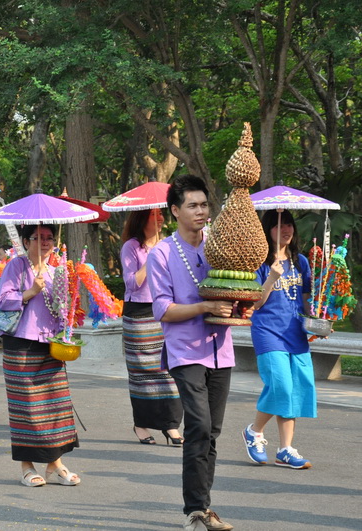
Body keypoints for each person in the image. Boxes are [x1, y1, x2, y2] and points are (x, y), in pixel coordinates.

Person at [147, 175, 240, 531]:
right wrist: (205, 306)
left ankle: (205, 507)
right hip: (184, 351)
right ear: (175, 211)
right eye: (193, 205)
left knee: (211, 432)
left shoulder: (221, 244)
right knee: (199, 425)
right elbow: (163, 310)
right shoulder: (163, 254)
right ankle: (195, 509)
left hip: (222, 350)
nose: (202, 211)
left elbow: (240, 290)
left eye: (205, 205)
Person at [0, 224, 80, 488]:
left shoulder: (58, 270)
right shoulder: (16, 266)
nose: (45, 242)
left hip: (51, 346)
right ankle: (26, 466)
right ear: (25, 241)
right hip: (20, 345)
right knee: (28, 410)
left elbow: (62, 311)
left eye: (49, 238)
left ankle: (55, 464)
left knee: (56, 407)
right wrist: (31, 291)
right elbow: (3, 299)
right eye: (38, 238)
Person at [242, 209, 315, 470]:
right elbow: (256, 304)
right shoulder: (258, 263)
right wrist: (271, 277)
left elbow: (306, 301)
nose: (286, 230)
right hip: (268, 333)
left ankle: (285, 449)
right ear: (268, 230)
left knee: (295, 390)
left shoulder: (301, 261)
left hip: (296, 334)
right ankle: (255, 430)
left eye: (289, 225)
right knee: (281, 386)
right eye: (279, 226)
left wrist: (317, 320)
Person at [120, 208, 184, 446]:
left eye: (161, 215)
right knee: (142, 374)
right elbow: (131, 283)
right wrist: (151, 259)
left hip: (165, 310)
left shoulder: (169, 244)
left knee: (168, 370)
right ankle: (141, 424)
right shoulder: (131, 247)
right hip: (138, 314)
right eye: (153, 215)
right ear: (141, 218)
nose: (160, 219)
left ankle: (171, 425)